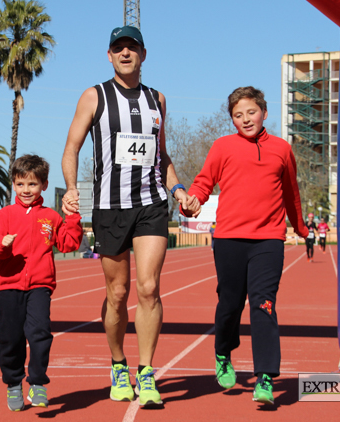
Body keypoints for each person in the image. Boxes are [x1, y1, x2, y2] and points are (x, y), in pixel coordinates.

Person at [61, 26, 198, 406]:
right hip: (109, 205)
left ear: (143, 54)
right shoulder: (94, 96)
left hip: (152, 204)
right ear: (109, 55)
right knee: (117, 293)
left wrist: (178, 190)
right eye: (118, 48)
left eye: (131, 48)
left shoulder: (158, 100)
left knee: (149, 287)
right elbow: (71, 148)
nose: (125, 53)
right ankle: (118, 364)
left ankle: (147, 371)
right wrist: (72, 188)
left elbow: (162, 155)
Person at [181, 86, 309, 405]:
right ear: (232, 120)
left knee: (263, 305)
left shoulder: (281, 149)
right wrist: (191, 201)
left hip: (268, 239)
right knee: (229, 305)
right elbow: (203, 181)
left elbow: (292, 193)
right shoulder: (223, 147)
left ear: (264, 113)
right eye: (238, 115)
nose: (245, 119)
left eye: (251, 112)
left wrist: (302, 227)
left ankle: (265, 376)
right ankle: (223, 352)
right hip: (229, 239)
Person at [0, 155, 82, 412]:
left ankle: (38, 382)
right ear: (14, 185)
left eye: (32, 184)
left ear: (44, 185)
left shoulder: (50, 217)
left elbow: (68, 244)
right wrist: (3, 247)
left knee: (40, 334)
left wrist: (71, 218)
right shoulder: (3, 215)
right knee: (10, 338)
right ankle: (13, 384)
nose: (26, 190)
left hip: (40, 285)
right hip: (9, 285)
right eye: (20, 184)